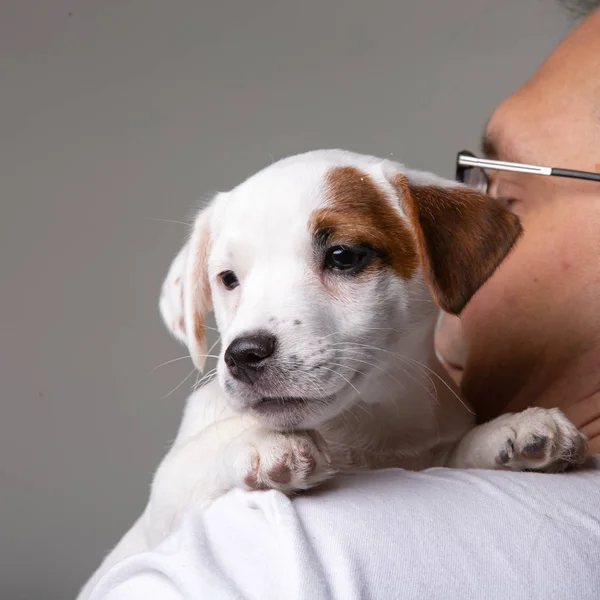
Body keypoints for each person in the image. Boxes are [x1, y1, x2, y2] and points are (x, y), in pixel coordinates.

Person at [88, 3, 600, 599]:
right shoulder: (254, 532)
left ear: (434, 254)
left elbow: (425, 480)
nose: (247, 340)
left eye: (342, 259)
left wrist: (469, 454)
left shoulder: (298, 551)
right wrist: (237, 459)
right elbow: (170, 509)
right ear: (195, 301)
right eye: (229, 281)